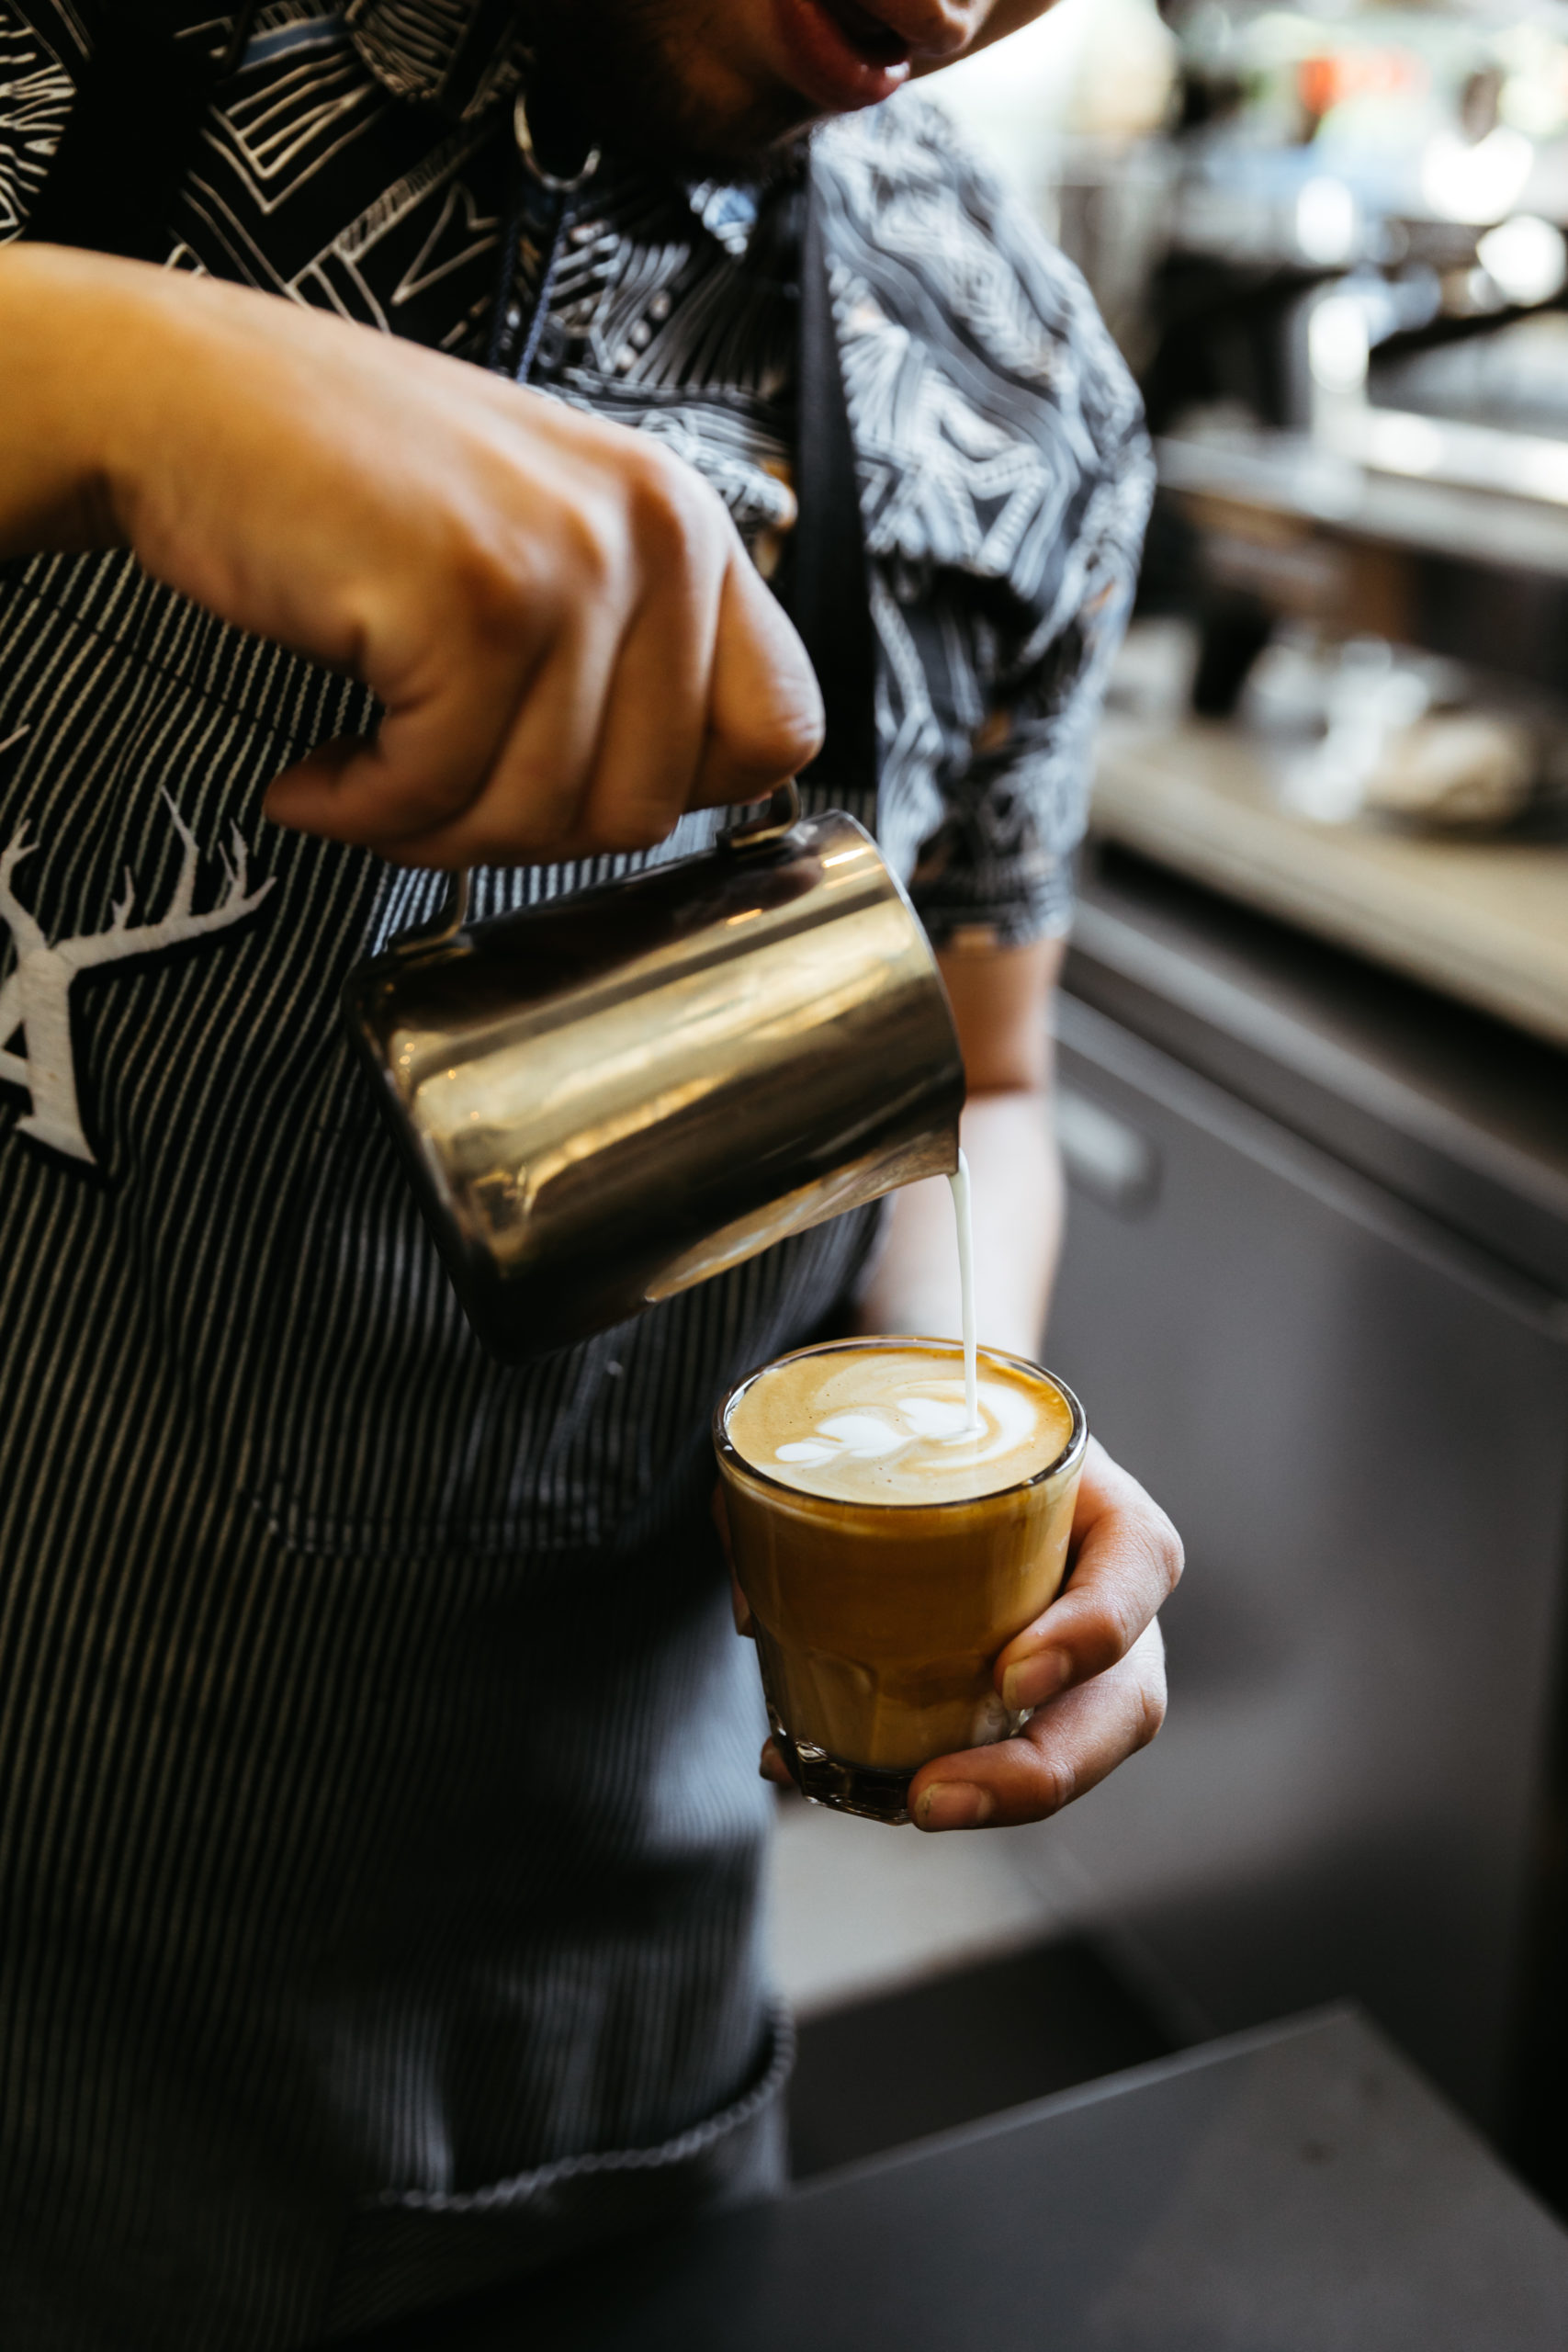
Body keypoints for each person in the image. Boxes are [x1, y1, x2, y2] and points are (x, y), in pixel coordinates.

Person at [0, 2, 1182, 2343]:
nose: (949, 6)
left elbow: (991, 1078)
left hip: (534, 2116)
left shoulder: (1020, 400)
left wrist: (959, 1426)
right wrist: (91, 374)